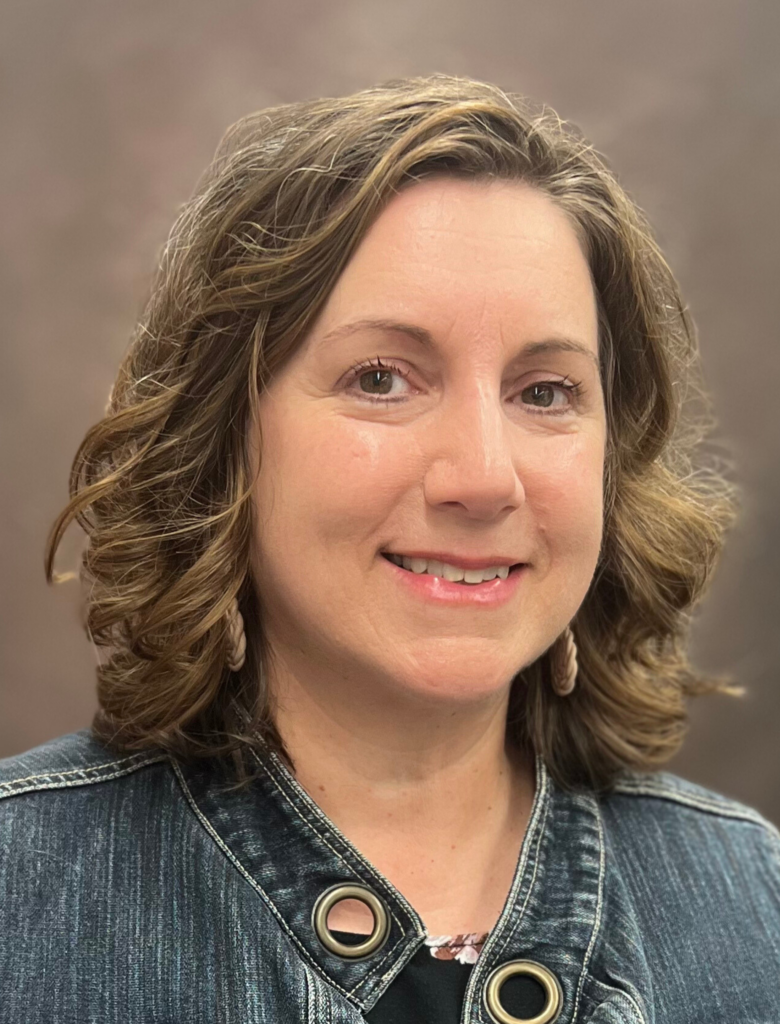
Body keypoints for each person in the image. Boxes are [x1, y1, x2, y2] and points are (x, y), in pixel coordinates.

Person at [1, 74, 778, 1024]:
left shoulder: (753, 903)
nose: (484, 477)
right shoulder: (22, 897)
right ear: (226, 436)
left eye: (544, 392)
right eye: (382, 378)